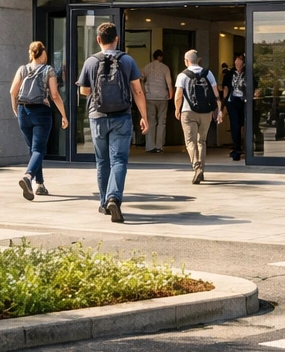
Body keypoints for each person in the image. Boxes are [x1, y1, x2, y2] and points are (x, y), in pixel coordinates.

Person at [78, 20, 147, 222]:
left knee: (102, 161)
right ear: (116, 39)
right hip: (122, 117)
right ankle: (114, 198)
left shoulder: (90, 62)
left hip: (98, 117)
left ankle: (103, 203)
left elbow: (84, 90)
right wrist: (144, 116)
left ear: (98, 40)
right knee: (119, 160)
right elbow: (137, 90)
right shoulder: (128, 61)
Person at [10, 40, 68, 200]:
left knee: (34, 149)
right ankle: (28, 177)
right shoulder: (48, 70)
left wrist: (15, 108)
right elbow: (55, 95)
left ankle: (40, 184)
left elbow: (12, 91)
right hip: (41, 112)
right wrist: (63, 115)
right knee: (39, 149)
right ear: (42, 53)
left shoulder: (22, 69)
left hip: (23, 111)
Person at [174, 49, 222, 184]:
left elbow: (178, 95)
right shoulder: (208, 73)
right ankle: (202, 170)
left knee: (190, 141)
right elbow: (215, 93)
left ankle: (196, 167)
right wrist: (217, 109)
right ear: (197, 60)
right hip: (206, 112)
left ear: (186, 61)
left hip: (188, 112)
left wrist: (177, 109)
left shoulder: (182, 76)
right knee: (202, 141)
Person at [141, 49, 173, 153]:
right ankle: (159, 146)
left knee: (151, 121)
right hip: (162, 97)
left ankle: (150, 146)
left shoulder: (147, 67)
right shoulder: (165, 68)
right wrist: (171, 94)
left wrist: (144, 92)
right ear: (161, 57)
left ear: (153, 57)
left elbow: (141, 78)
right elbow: (169, 83)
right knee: (162, 122)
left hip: (150, 97)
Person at [225, 53, 248, 160]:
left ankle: (246, 147)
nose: (238, 63)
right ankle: (237, 148)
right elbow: (225, 88)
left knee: (245, 124)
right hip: (232, 101)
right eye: (236, 61)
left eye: (240, 61)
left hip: (244, 101)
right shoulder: (229, 74)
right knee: (235, 125)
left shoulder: (247, 73)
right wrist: (224, 103)